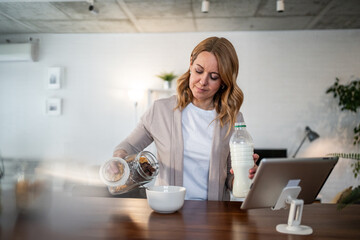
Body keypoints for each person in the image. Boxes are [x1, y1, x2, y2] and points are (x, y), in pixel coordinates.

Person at [113, 37, 259, 201]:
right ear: (190, 64)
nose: (203, 81)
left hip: (215, 215)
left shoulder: (233, 119)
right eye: (199, 70)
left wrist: (247, 175)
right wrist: (118, 159)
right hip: (168, 210)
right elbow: (129, 146)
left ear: (224, 81)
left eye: (214, 76)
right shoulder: (161, 110)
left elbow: (232, 180)